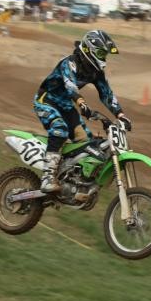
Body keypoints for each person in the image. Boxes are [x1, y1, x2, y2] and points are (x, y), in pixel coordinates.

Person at [33, 30, 133, 192]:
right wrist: (81, 103)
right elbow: (70, 85)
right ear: (88, 49)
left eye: (105, 55)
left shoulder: (95, 72)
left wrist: (120, 115)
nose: (104, 58)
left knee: (85, 141)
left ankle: (71, 179)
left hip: (65, 106)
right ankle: (47, 177)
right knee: (59, 130)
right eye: (101, 54)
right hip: (46, 100)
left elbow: (106, 94)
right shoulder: (69, 63)